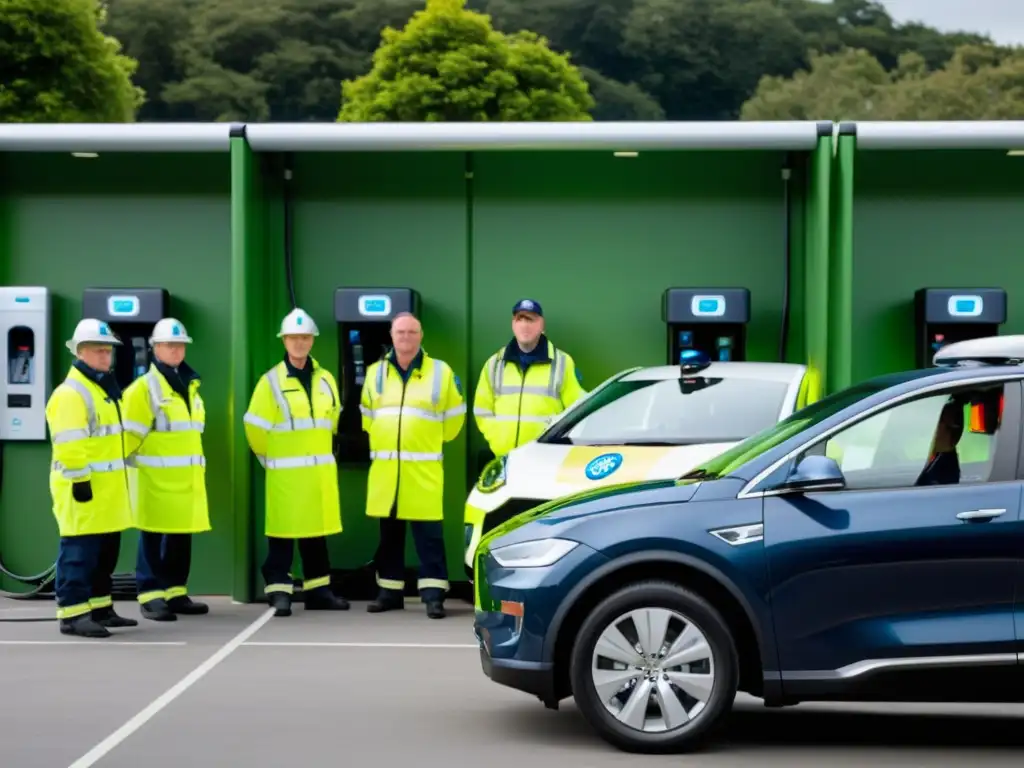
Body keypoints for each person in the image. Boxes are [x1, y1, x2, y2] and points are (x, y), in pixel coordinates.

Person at [243, 307, 349, 617]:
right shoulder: (271, 382)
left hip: (317, 475)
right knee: (283, 536)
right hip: (287, 475)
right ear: (284, 341)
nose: (299, 343)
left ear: (312, 341)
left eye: (305, 338)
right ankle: (279, 591)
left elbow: (332, 419)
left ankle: (319, 591)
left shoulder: (326, 378)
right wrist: (272, 461)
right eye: (293, 338)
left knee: (316, 535)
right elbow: (254, 428)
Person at [360, 312, 465, 619]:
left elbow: (454, 420)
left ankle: (433, 596)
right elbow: (367, 417)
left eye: (411, 332)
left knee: (429, 537)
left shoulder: (440, 372)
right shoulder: (375, 372)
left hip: (423, 471)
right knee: (389, 537)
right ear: (391, 336)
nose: (405, 337)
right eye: (400, 332)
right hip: (387, 472)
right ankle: (389, 593)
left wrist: (422, 442)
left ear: (421, 336)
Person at [45, 319, 138, 638]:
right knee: (78, 552)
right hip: (82, 489)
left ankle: (100, 608)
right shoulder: (71, 394)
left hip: (107, 492)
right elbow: (70, 445)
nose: (105, 356)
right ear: (80, 352)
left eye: (107, 350)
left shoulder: (102, 390)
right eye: (98, 350)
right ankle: (72, 614)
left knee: (103, 555)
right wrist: (81, 483)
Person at [122, 318, 210, 622]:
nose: (174, 350)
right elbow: (127, 440)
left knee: (179, 539)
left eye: (179, 345)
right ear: (155, 348)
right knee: (152, 539)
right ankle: (150, 595)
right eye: (168, 345)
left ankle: (175, 592)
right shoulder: (142, 390)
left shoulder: (190, 386)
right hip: (154, 481)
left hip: (184, 481)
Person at [472, 299, 586, 461]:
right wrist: (497, 439)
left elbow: (577, 410)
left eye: (530, 319)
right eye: (520, 319)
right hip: (505, 459)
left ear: (541, 325)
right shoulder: (494, 364)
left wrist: (555, 442)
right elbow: (481, 409)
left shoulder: (562, 363)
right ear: (513, 324)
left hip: (545, 459)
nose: (525, 325)